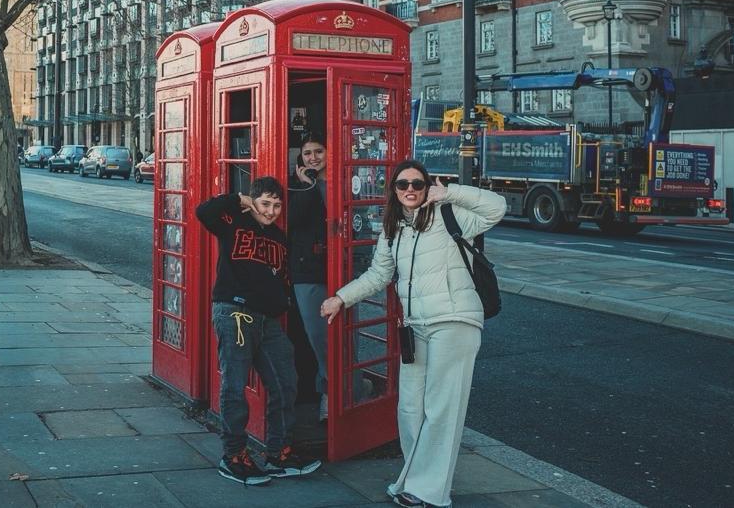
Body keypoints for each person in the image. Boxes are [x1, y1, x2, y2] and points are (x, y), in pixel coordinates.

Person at [320, 160, 505, 508]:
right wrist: (340, 298)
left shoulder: (452, 216)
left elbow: (498, 207)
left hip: (455, 320)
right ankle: (413, 478)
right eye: (403, 184)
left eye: (417, 184)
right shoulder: (392, 230)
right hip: (416, 326)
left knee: (441, 408)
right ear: (393, 189)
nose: (410, 189)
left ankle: (429, 492)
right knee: (410, 407)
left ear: (426, 186)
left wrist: (449, 192)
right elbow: (378, 276)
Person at [196, 177, 322, 486]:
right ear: (253, 202)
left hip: (268, 319)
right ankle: (233, 454)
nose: (271, 211)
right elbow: (203, 211)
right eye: (265, 204)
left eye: (277, 205)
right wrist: (240, 199)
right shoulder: (232, 223)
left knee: (285, 381)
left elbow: (281, 277)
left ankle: (278, 452)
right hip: (234, 312)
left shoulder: (280, 237)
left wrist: (283, 302)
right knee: (234, 385)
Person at [287, 133, 329, 421]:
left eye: (318, 151)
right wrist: (308, 186)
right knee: (317, 334)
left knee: (338, 336)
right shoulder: (299, 186)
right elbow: (293, 222)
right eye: (307, 153)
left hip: (340, 266)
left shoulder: (342, 179)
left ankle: (336, 392)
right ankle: (325, 389)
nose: (313, 157)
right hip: (308, 269)